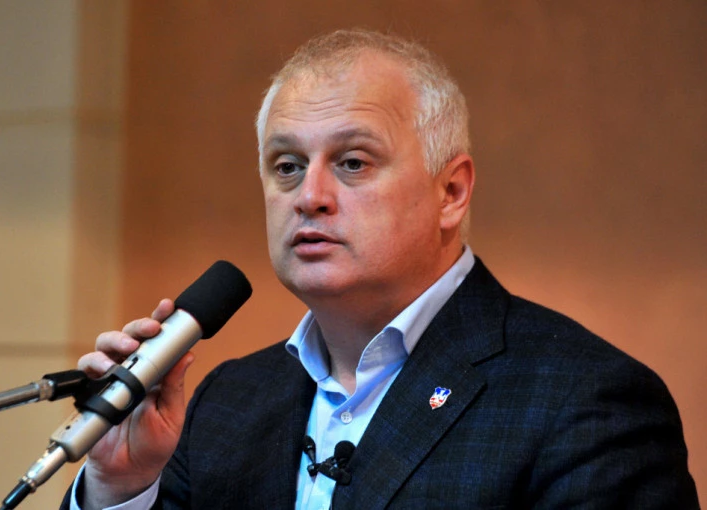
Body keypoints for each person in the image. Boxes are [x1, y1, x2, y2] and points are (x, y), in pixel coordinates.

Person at [63, 29, 699, 509]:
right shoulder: (229, 400)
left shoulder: (586, 401)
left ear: (451, 192)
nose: (309, 196)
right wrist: (122, 486)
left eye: (353, 163)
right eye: (287, 166)